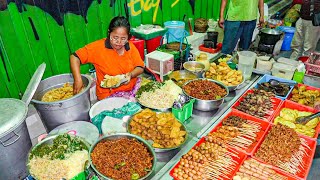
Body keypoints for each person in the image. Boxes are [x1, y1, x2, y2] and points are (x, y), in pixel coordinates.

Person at [70, 16, 144, 100]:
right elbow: (74, 57)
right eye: (115, 37)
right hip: (108, 94)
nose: (119, 42)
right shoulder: (98, 48)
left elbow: (140, 67)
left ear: (128, 37)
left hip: (131, 90)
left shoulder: (130, 46)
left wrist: (131, 75)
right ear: (109, 33)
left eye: (123, 38)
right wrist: (78, 79)